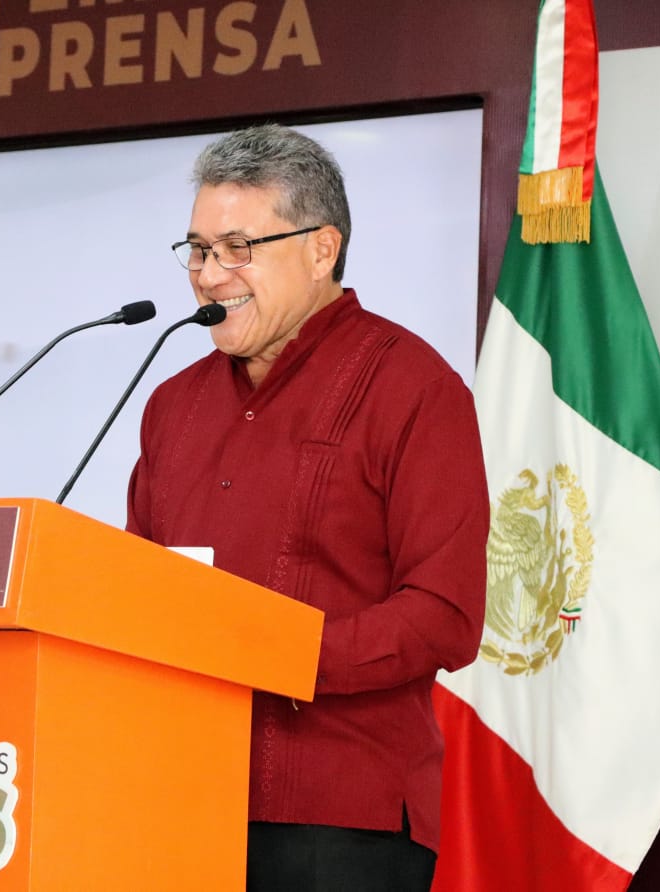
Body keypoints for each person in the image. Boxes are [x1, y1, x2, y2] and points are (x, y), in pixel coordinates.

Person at [125, 123, 489, 891]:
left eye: (237, 248)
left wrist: (278, 654)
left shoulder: (413, 389)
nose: (208, 276)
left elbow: (444, 615)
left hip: (339, 816)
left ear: (321, 250)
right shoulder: (171, 406)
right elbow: (139, 589)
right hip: (175, 797)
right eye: (197, 250)